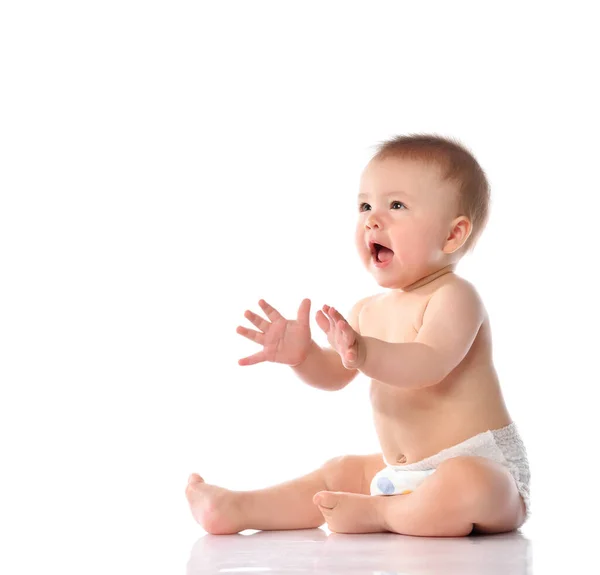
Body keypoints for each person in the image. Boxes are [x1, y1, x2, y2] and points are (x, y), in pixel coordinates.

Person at [185, 134, 531, 537]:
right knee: (341, 471)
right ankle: (237, 508)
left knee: (467, 482)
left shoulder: (454, 297)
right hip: (402, 474)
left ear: (453, 235)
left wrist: (364, 352)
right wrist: (306, 356)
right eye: (365, 205)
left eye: (396, 205)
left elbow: (428, 363)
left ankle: (379, 515)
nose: (372, 219)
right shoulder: (367, 310)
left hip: (484, 467)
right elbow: (335, 373)